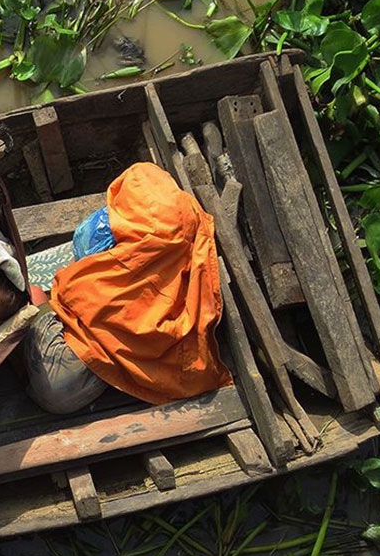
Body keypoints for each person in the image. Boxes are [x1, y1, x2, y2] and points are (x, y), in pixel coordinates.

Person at [21, 161, 231, 414]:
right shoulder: (183, 251)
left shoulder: (106, 275)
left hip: (60, 383)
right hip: (103, 374)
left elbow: (71, 291)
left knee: (33, 292)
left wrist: (66, 279)